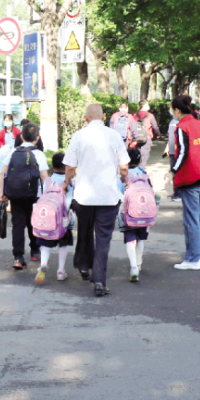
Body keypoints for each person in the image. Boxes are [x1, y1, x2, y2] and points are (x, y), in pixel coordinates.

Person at [64, 103, 130, 297]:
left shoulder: (78, 136)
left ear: (86, 118)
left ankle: (84, 267)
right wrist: (125, 179)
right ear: (103, 117)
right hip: (108, 197)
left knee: (84, 233)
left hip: (84, 197)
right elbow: (124, 167)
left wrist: (65, 182)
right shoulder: (114, 136)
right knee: (103, 239)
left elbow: (69, 167)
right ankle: (100, 281)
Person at [170, 95, 200, 271]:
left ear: (177, 110)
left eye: (172, 109)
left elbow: (182, 152)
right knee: (199, 217)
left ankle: (193, 259)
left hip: (191, 177)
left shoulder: (182, 127)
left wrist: (172, 172)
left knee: (191, 219)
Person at [1, 122, 49, 270]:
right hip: (33, 195)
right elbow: (44, 176)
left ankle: (18, 257)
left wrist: (3, 193)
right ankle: (35, 251)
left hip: (15, 194)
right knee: (33, 223)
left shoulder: (13, 152)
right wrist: (49, 195)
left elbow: (3, 173)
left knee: (18, 225)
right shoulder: (39, 154)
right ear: (38, 138)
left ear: (21, 136)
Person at [35, 152, 75, 284]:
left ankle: (43, 264)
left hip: (48, 220)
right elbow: (69, 201)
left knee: (46, 244)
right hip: (64, 220)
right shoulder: (70, 183)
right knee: (62, 245)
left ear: (52, 165)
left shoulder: (47, 181)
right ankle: (60, 271)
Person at [119, 147, 150, 283]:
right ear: (140, 160)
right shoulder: (145, 174)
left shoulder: (123, 177)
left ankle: (133, 268)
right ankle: (139, 263)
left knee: (130, 238)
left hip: (128, 213)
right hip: (144, 212)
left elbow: (119, 194)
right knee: (141, 239)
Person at [134, 101, 161, 168]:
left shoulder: (135, 115)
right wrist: (158, 134)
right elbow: (155, 126)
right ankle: (141, 168)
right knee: (145, 153)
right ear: (145, 106)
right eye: (148, 105)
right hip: (147, 137)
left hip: (136, 137)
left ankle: (136, 167)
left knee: (137, 153)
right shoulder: (150, 115)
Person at [162, 109, 181, 201]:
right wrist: (167, 147)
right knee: (173, 172)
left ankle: (179, 194)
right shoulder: (172, 122)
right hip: (173, 151)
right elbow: (171, 137)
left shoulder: (181, 122)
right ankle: (176, 193)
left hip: (179, 151)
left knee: (178, 173)